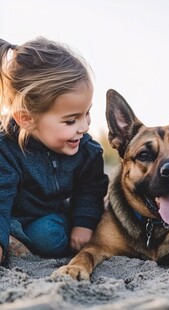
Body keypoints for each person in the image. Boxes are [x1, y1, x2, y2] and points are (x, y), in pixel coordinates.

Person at [0, 37, 109, 263]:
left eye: (87, 112)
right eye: (71, 121)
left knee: (50, 236)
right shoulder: (6, 148)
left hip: (45, 216)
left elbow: (90, 190)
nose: (85, 126)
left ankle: (19, 239)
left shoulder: (87, 152)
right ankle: (9, 240)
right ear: (26, 119)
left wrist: (83, 223)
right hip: (8, 212)